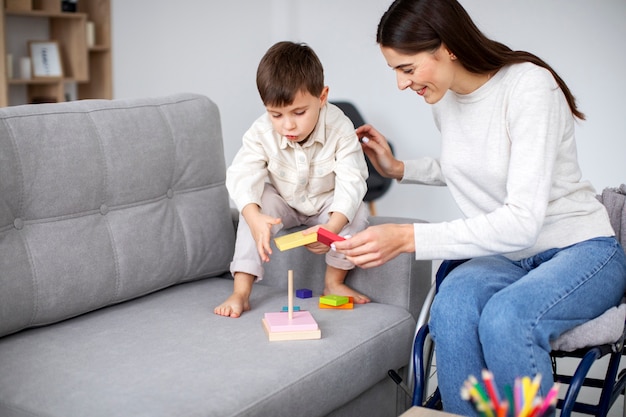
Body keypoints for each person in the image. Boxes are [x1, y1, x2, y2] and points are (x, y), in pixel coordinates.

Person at [332, 0, 626, 414]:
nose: (401, 84)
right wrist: (400, 169)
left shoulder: (529, 87)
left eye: (407, 68)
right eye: (395, 70)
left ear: (447, 47)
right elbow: (475, 167)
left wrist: (408, 237)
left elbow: (523, 221)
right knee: (450, 307)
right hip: (510, 257)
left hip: (581, 249)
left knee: (507, 318)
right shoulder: (446, 101)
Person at [214, 41, 371, 319]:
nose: (288, 125)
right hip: (283, 204)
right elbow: (242, 174)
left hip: (325, 204)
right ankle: (241, 291)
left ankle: (334, 281)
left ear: (322, 97)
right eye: (276, 114)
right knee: (257, 203)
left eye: (299, 113)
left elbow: (352, 179)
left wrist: (332, 227)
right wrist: (252, 216)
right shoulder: (261, 131)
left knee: (357, 209)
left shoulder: (340, 127)